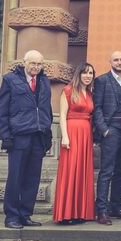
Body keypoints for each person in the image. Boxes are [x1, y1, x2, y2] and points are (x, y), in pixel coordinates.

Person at [0, 50, 53, 229]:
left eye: (39, 64)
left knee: (32, 179)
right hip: (19, 136)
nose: (36, 67)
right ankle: (11, 216)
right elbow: (1, 111)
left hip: (38, 136)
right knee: (15, 177)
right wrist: (5, 136)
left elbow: (46, 110)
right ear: (25, 63)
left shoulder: (44, 81)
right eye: (33, 63)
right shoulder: (10, 80)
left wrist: (48, 133)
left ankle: (25, 214)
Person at [53, 62, 96, 224]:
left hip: (85, 135)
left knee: (82, 172)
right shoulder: (68, 90)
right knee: (71, 171)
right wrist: (64, 136)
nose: (88, 76)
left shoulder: (90, 93)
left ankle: (80, 212)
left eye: (91, 73)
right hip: (72, 133)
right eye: (85, 73)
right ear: (79, 74)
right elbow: (62, 115)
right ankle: (66, 213)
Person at [92, 51, 121, 225]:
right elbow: (97, 107)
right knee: (107, 170)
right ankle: (101, 209)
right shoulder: (102, 80)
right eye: (116, 59)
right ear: (110, 61)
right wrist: (104, 130)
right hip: (111, 130)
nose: (119, 62)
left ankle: (115, 205)